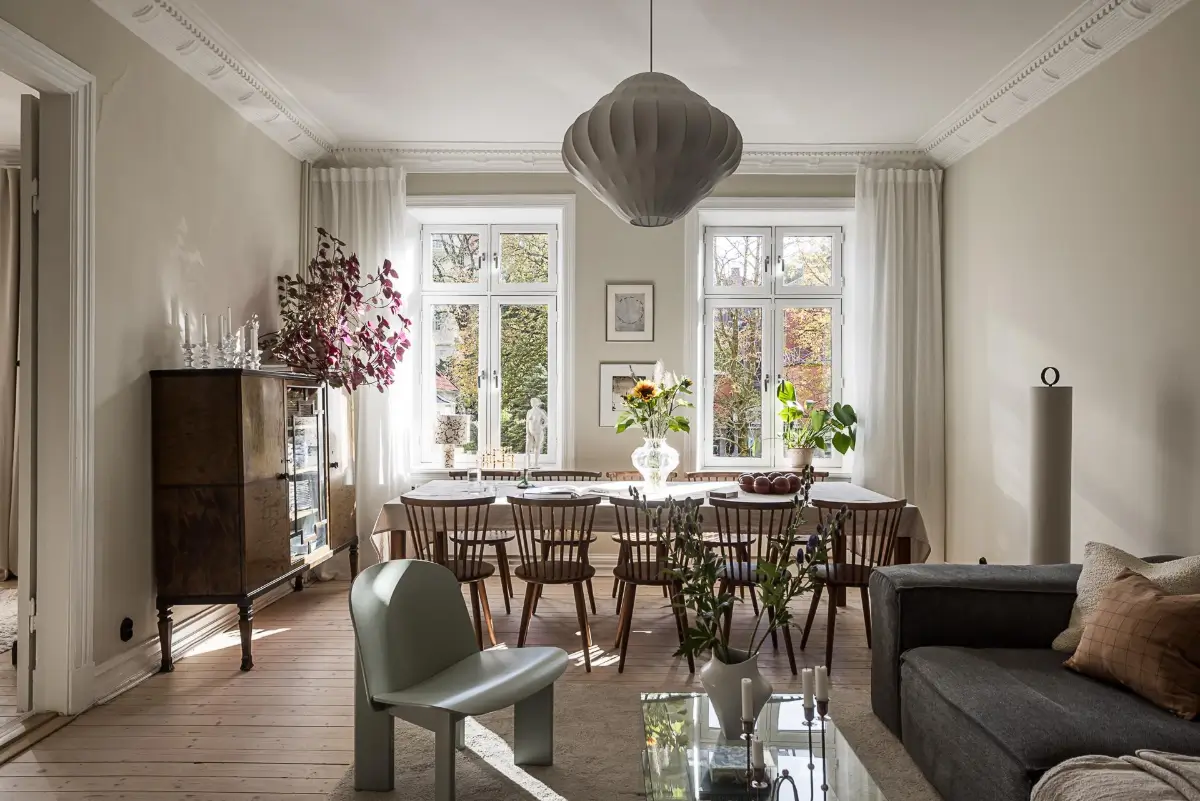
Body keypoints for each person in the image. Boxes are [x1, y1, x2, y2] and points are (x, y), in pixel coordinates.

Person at [524, 397, 547, 467]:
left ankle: (536, 463)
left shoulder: (540, 411)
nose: (531, 403)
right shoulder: (529, 412)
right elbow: (527, 423)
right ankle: (528, 464)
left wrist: (542, 426)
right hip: (530, 432)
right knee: (527, 448)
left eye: (532, 402)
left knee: (537, 447)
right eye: (531, 402)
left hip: (538, 432)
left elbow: (546, 421)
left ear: (536, 403)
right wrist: (527, 432)